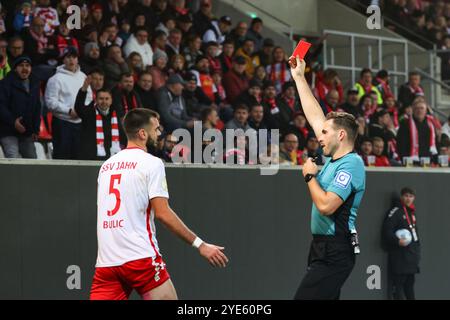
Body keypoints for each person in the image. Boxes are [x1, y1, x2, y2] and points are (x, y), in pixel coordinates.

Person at [90, 108, 228, 300]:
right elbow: (162, 213)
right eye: (156, 128)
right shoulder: (152, 163)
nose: (159, 133)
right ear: (142, 133)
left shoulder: (106, 166)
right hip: (140, 259)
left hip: (107, 262)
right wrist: (201, 245)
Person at [290, 56, 366, 300]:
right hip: (322, 246)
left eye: (325, 132)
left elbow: (325, 205)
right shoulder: (335, 160)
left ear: (341, 135)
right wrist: (300, 77)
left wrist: (310, 178)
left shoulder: (351, 164)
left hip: (336, 249)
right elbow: (314, 114)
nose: (318, 136)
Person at [45, 46, 88, 159]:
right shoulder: (55, 79)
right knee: (62, 156)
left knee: (79, 156)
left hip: (80, 123)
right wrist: (68, 110)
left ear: (77, 59)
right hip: (62, 123)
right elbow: (50, 102)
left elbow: (88, 98)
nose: (71, 60)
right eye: (68, 57)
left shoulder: (83, 77)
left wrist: (82, 112)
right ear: (63, 60)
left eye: (74, 57)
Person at [382, 187, 420, 300]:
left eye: (411, 196)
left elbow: (415, 236)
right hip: (400, 257)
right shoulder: (396, 212)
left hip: (411, 258)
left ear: (414, 198)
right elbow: (387, 231)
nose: (408, 198)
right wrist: (397, 241)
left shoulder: (411, 213)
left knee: (410, 286)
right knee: (398, 288)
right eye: (406, 196)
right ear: (402, 197)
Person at [0, 56, 40, 159]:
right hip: (8, 130)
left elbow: (37, 107)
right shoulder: (5, 83)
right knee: (13, 159)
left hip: (26, 132)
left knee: (32, 161)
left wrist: (35, 130)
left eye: (27, 66)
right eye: (21, 66)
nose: (25, 68)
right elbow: (1, 106)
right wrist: (13, 122)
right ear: (15, 69)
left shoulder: (34, 84)